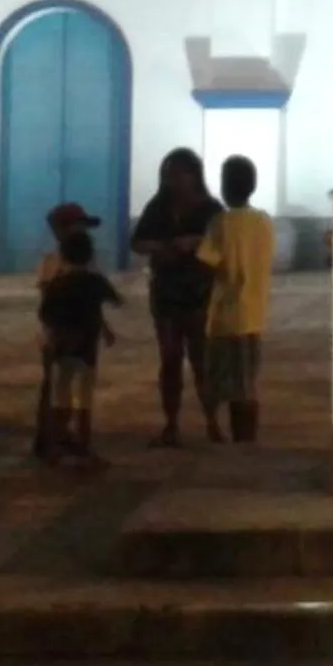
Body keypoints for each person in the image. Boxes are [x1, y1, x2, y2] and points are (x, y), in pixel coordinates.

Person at [131, 147, 223, 445]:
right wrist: (162, 248)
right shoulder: (158, 207)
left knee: (202, 360)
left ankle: (213, 422)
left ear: (194, 176)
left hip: (200, 293)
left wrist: (195, 242)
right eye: (168, 176)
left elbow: (224, 245)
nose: (173, 182)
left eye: (178, 175)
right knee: (170, 360)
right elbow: (138, 242)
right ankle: (171, 424)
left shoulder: (211, 209)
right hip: (166, 293)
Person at [34, 206, 120, 468]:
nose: (83, 232)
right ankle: (58, 441)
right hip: (71, 342)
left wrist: (103, 327)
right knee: (65, 393)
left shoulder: (72, 269)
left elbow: (48, 308)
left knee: (60, 392)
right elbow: (106, 299)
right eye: (78, 226)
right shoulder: (54, 264)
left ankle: (59, 443)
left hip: (62, 340)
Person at [198, 154, 275, 444]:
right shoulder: (264, 221)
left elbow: (208, 260)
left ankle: (217, 430)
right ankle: (247, 438)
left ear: (225, 186)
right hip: (254, 315)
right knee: (247, 384)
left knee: (217, 381)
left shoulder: (221, 222)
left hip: (225, 316)